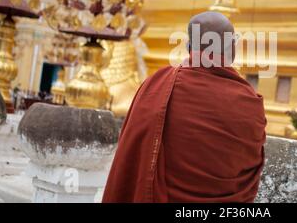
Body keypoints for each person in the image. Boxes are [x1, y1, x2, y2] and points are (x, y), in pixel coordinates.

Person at [102, 11, 267, 203]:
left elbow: (131, 155)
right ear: (232, 48)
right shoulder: (251, 102)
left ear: (189, 46)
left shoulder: (157, 87)